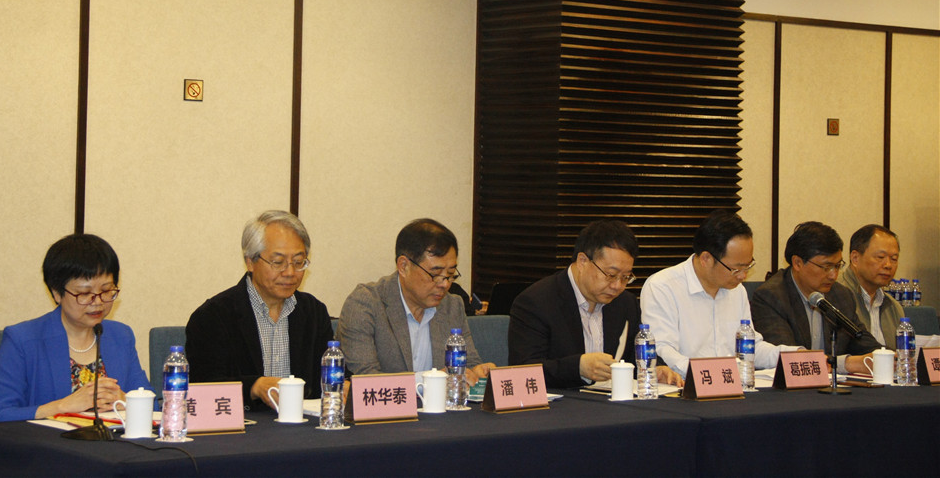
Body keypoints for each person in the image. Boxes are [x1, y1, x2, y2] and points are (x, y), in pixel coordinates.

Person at [0, 234, 151, 422]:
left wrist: (125, 400)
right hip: (48, 441)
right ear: (57, 293)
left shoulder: (121, 336)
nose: (97, 302)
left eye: (106, 291)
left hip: (113, 440)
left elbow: (155, 407)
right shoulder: (22, 340)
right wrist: (62, 406)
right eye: (84, 293)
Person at [508, 219, 682, 388]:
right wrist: (578, 368)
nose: (617, 286)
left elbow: (633, 356)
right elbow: (523, 371)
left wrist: (655, 368)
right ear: (583, 261)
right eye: (611, 275)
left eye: (625, 277)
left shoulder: (625, 303)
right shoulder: (536, 302)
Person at [185, 211, 333, 408]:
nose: (290, 272)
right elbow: (201, 386)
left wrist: (346, 386)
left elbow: (331, 375)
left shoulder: (314, 313)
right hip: (244, 425)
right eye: (278, 262)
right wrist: (254, 387)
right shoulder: (213, 316)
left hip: (303, 424)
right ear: (250, 262)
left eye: (298, 262)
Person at [640, 211, 799, 378]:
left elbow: (751, 348)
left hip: (731, 384)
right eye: (736, 269)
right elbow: (662, 351)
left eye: (748, 266)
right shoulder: (662, 287)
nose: (743, 276)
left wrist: (794, 356)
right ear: (706, 259)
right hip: (687, 387)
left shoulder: (737, 290)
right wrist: (712, 373)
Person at [337, 218, 494, 383]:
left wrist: (477, 372)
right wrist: (430, 380)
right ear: (404, 266)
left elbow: (468, 365)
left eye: (450, 274)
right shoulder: (365, 304)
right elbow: (365, 380)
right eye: (435, 274)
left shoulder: (452, 306)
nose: (445, 284)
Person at [751, 221, 879, 374]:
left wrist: (888, 357)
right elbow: (790, 359)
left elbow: (864, 343)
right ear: (798, 263)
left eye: (837, 266)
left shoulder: (841, 295)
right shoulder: (771, 297)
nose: (833, 275)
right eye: (826, 267)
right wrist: (845, 364)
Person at [838, 224, 903, 348]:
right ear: (855, 258)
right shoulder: (834, 295)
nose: (888, 265)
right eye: (880, 257)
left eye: (894, 259)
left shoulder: (894, 307)